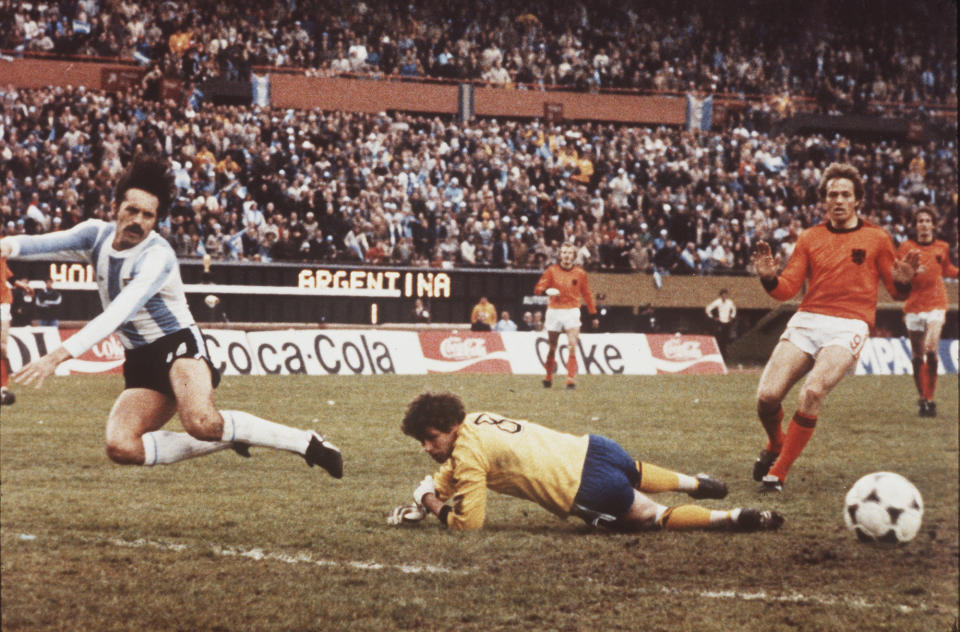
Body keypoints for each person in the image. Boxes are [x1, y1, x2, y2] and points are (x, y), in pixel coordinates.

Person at [0, 154, 342, 477]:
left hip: (178, 346)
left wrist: (57, 356)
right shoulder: (94, 235)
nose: (137, 220)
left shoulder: (156, 256)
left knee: (202, 423)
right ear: (116, 207)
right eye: (131, 210)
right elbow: (31, 244)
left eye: (147, 215)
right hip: (140, 359)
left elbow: (118, 313)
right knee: (121, 447)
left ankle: (307, 443)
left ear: (156, 219)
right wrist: (6, 246)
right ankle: (232, 435)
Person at [750, 163, 919, 493]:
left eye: (845, 194)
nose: (839, 200)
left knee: (813, 392)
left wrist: (904, 284)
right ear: (823, 200)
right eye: (832, 194)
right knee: (766, 397)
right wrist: (769, 277)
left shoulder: (877, 238)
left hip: (849, 324)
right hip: (808, 319)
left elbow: (897, 292)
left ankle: (778, 472)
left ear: (857, 200)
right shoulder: (810, 238)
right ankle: (775, 444)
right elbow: (787, 289)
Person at [393, 391, 784, 532]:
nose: (427, 447)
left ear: (448, 426)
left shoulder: (468, 456)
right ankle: (696, 484)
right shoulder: (475, 419)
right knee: (635, 471)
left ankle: (732, 518)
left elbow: (469, 524)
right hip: (596, 448)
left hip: (586, 490)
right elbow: (455, 469)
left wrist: (432, 503)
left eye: (430, 438)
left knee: (654, 517)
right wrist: (427, 494)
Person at [896, 207, 958, 417]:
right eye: (920, 220)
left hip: (936, 304)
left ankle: (929, 398)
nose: (923, 224)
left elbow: (947, 269)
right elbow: (898, 275)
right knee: (917, 355)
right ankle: (922, 397)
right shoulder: (906, 247)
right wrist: (909, 272)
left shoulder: (942, 247)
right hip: (913, 306)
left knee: (931, 349)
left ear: (933, 225)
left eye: (927, 220)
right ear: (915, 226)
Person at [533, 242, 599, 388]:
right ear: (560, 255)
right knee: (552, 347)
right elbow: (538, 288)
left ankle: (570, 379)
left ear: (574, 256)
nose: (566, 256)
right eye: (564, 253)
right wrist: (546, 291)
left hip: (572, 311)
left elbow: (587, 294)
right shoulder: (551, 271)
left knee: (572, 346)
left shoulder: (580, 273)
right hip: (554, 311)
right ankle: (548, 377)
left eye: (569, 253)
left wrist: (593, 314)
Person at [705, 288, 737, 359]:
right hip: (720, 322)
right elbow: (708, 309)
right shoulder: (717, 302)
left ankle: (725, 355)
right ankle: (719, 354)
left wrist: (731, 316)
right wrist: (713, 317)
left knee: (726, 339)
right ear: (720, 295)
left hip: (727, 322)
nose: (724, 296)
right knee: (720, 339)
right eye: (723, 295)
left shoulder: (730, 302)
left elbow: (734, 310)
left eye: (725, 295)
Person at [1, 257, 15, 405]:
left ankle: (4, 387)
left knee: (3, 348)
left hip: (3, 303)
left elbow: (10, 276)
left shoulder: (1, 256)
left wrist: (21, 285)